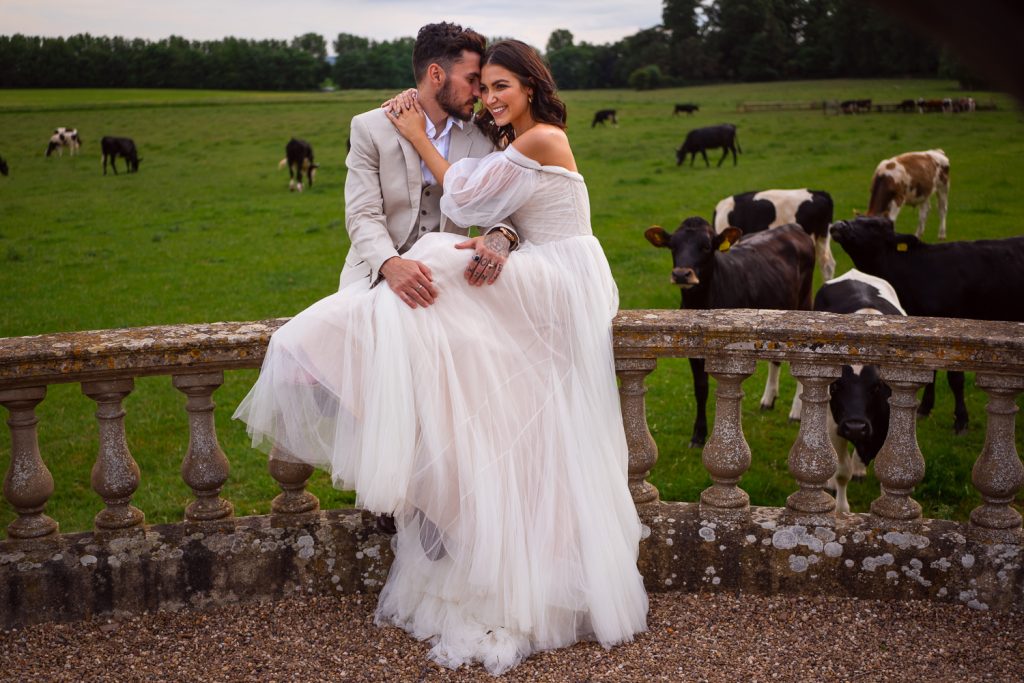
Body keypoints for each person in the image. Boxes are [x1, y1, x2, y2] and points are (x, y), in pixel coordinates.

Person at [234, 38, 649, 675]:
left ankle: (450, 510)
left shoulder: (509, 135)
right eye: (479, 84)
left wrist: (504, 237)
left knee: (442, 274)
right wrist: (393, 264)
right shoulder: (372, 126)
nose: (485, 97)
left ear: (529, 89)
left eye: (497, 86)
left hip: (543, 274)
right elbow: (364, 217)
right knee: (422, 272)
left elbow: (488, 205)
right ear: (438, 74)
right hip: (386, 271)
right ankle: (431, 495)